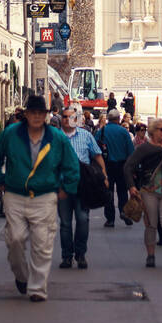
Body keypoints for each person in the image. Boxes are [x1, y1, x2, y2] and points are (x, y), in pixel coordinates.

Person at [0, 94, 80, 301]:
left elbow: (71, 163)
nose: (37, 117)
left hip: (45, 196)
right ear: (26, 114)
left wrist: (67, 186)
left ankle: (38, 288)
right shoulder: (11, 134)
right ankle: (21, 276)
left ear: (46, 115)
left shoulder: (56, 137)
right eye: (33, 113)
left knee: (42, 243)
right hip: (15, 194)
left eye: (41, 113)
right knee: (15, 239)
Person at [124, 118, 162, 270]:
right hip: (149, 191)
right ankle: (150, 255)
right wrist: (131, 187)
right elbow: (128, 167)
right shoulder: (144, 149)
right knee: (151, 224)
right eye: (161, 129)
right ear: (152, 131)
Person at [58, 104, 107, 269]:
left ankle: (80, 254)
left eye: (70, 117)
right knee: (65, 222)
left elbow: (97, 155)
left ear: (76, 119)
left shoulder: (85, 136)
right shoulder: (56, 137)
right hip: (63, 186)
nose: (67, 120)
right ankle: (66, 256)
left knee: (82, 219)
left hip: (82, 185)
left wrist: (104, 175)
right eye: (64, 117)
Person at [101, 107, 135, 227]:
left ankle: (110, 219)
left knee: (108, 192)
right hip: (122, 165)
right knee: (122, 191)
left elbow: (95, 148)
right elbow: (131, 151)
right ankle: (124, 212)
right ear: (118, 119)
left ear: (108, 119)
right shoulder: (124, 132)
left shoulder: (103, 131)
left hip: (107, 165)